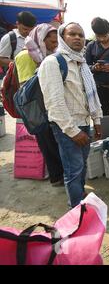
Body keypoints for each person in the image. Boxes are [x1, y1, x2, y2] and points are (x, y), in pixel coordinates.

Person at [39, 22, 103, 208]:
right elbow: (54, 104)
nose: (77, 38)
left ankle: (80, 195)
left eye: (81, 35)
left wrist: (97, 120)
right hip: (67, 127)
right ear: (62, 37)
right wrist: (73, 131)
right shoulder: (53, 63)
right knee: (73, 170)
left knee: (81, 166)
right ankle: (76, 208)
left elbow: (91, 94)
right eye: (72, 34)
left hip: (83, 123)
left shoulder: (81, 62)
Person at [14, 23, 64, 186]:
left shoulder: (51, 55)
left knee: (56, 141)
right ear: (41, 39)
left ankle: (61, 172)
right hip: (38, 108)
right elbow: (25, 86)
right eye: (52, 42)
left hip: (51, 103)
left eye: (57, 42)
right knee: (47, 141)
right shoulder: (25, 56)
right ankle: (56, 177)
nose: (55, 45)